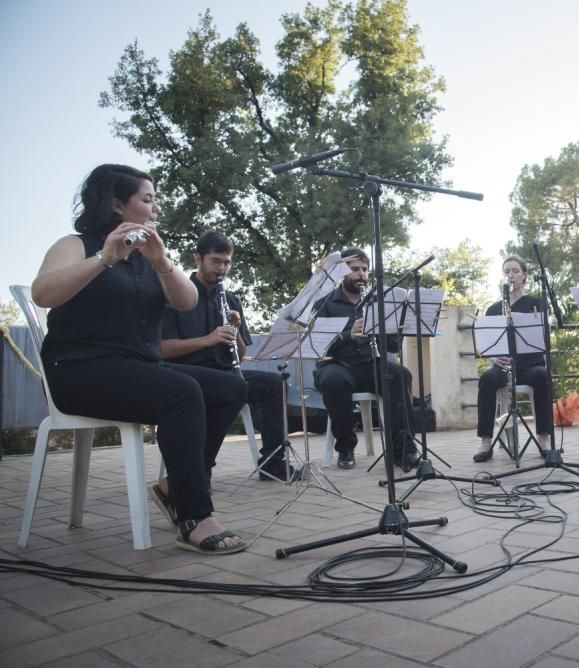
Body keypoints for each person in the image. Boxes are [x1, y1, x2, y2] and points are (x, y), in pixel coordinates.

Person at [31, 164, 247, 554]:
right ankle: (194, 514)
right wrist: (104, 258)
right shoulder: (76, 245)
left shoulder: (147, 258)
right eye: (147, 200)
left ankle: (174, 486)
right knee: (181, 390)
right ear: (117, 203)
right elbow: (43, 294)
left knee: (229, 386)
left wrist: (161, 261)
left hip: (137, 366)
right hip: (78, 370)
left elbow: (187, 300)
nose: (155, 210)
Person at [161, 230, 299, 481]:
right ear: (198, 259)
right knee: (229, 386)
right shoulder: (176, 294)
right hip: (186, 373)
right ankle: (197, 470)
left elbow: (242, 354)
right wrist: (207, 339)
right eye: (215, 261)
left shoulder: (231, 300)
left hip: (225, 372)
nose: (221, 269)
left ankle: (272, 463)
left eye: (226, 263)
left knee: (274, 384)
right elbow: (163, 348)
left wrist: (234, 331)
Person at [312, 248, 420, 471]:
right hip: (335, 364)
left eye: (364, 270)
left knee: (400, 375)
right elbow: (317, 346)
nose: (361, 274)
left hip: (369, 365)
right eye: (355, 270)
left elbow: (391, 347)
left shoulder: (378, 303)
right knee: (335, 381)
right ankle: (345, 447)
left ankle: (402, 450)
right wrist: (347, 334)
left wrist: (396, 328)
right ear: (342, 272)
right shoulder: (324, 304)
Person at [473, 255, 553, 462]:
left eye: (515, 271)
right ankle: (485, 442)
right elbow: (486, 342)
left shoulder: (537, 303)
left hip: (530, 365)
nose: (511, 275)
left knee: (543, 376)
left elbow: (544, 336)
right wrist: (493, 355)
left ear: (524, 275)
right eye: (507, 271)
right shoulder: (493, 309)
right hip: (504, 366)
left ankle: (544, 439)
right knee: (488, 379)